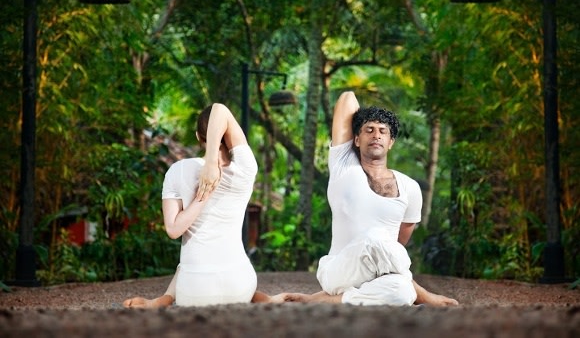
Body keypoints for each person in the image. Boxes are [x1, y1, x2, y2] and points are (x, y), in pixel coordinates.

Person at [284, 91, 458, 306]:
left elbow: (397, 243)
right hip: (339, 270)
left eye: (382, 131)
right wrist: (366, 116)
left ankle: (325, 300)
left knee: (401, 293)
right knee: (376, 236)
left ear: (391, 142)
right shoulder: (344, 166)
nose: (376, 135)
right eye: (369, 130)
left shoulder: (410, 188)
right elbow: (347, 98)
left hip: (379, 276)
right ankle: (422, 293)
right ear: (356, 139)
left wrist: (381, 259)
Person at [123, 103, 277, 308]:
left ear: (198, 136)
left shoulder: (178, 170)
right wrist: (210, 177)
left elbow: (173, 230)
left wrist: (205, 182)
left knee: (189, 258)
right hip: (240, 286)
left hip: (195, 291)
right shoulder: (246, 169)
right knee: (210, 259)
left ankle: (165, 299)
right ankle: (260, 297)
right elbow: (221, 110)